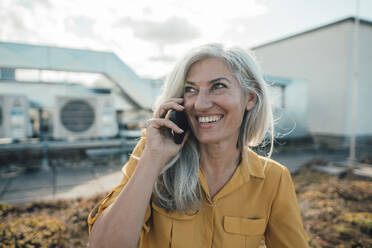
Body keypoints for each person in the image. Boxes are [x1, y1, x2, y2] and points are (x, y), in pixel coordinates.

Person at [87, 43, 309, 248]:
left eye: (218, 86)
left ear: (250, 98)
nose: (201, 104)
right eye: (191, 89)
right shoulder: (153, 158)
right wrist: (153, 158)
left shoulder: (273, 179)